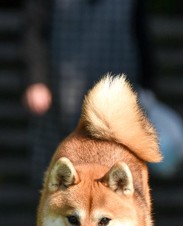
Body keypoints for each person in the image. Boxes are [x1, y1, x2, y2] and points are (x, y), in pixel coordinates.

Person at [22, 0, 155, 186]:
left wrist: (148, 87)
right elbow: (35, 31)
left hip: (117, 97)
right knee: (54, 173)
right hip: (59, 93)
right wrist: (37, 80)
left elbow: (141, 34)